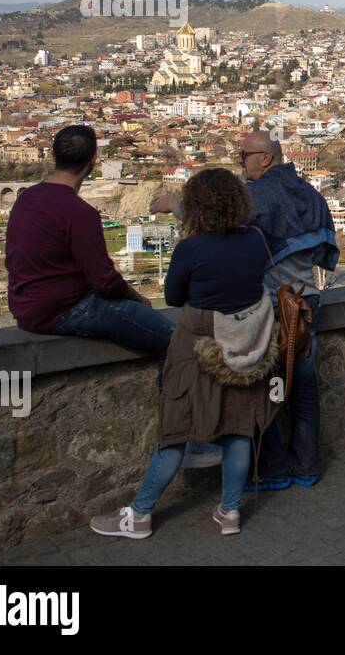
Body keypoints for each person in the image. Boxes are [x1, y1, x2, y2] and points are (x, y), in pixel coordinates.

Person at [90, 168, 278, 539]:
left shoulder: (191, 248)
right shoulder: (257, 239)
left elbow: (175, 297)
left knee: (175, 433)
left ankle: (140, 515)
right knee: (238, 432)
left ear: (194, 207)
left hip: (197, 347)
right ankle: (230, 512)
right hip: (246, 344)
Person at [153, 129, 339, 489]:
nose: (241, 162)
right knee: (303, 388)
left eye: (244, 156)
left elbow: (217, 224)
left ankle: (274, 471)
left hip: (273, 305)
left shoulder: (259, 196)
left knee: (264, 388)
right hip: (306, 300)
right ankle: (307, 467)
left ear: (265, 158)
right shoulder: (310, 194)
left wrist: (174, 206)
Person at [7, 124, 171, 354]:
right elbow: (105, 281)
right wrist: (138, 299)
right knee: (173, 340)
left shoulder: (26, 198)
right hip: (61, 310)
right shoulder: (79, 213)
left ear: (54, 156)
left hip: (25, 309)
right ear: (93, 161)